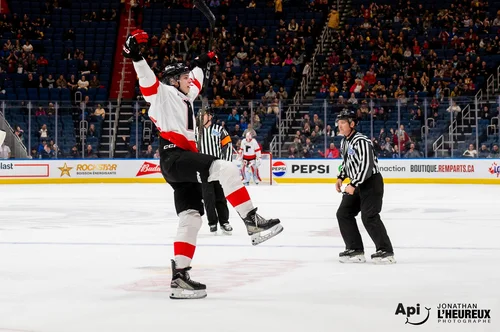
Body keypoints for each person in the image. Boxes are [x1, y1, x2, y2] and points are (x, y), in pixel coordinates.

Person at [123, 29, 283, 299]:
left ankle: (180, 277)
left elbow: (196, 79)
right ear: (174, 80)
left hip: (177, 164)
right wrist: (136, 56)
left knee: (191, 217)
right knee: (226, 168)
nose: (189, 81)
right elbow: (147, 80)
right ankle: (252, 220)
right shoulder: (161, 93)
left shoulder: (186, 96)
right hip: (174, 156)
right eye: (184, 77)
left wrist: (201, 62)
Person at [335, 109, 395, 264]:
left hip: (370, 182)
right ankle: (355, 249)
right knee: (343, 213)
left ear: (352, 124)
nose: (339, 126)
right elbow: (347, 163)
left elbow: (366, 166)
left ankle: (386, 252)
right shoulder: (345, 142)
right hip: (356, 183)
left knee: (369, 216)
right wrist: (341, 177)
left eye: (343, 123)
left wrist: (353, 184)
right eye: (339, 123)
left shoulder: (361, 141)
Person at [196, 106, 233, 235]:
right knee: (208, 198)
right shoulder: (195, 132)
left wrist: (225, 164)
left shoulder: (219, 130)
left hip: (217, 167)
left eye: (203, 115)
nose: (200, 118)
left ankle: (224, 222)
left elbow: (227, 145)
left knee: (220, 196)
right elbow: (191, 152)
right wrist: (194, 170)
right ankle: (212, 223)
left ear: (210, 116)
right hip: (203, 169)